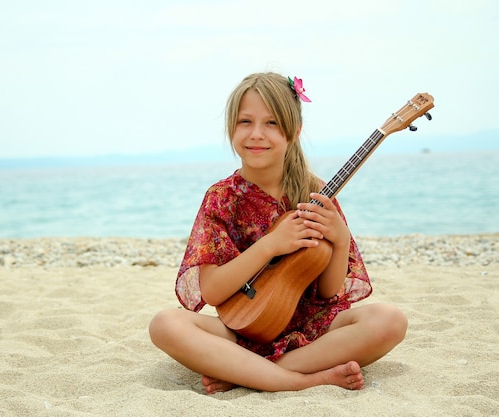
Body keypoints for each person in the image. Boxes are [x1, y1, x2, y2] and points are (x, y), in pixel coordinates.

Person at [148, 72, 407, 394]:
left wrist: (339, 242)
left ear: (294, 131)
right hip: (243, 329)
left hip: (314, 332)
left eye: (271, 123)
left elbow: (329, 294)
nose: (257, 134)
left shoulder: (316, 193)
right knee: (166, 324)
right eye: (245, 121)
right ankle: (305, 379)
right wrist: (270, 245)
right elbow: (213, 292)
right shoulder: (221, 198)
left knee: (389, 319)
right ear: (231, 128)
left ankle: (244, 372)